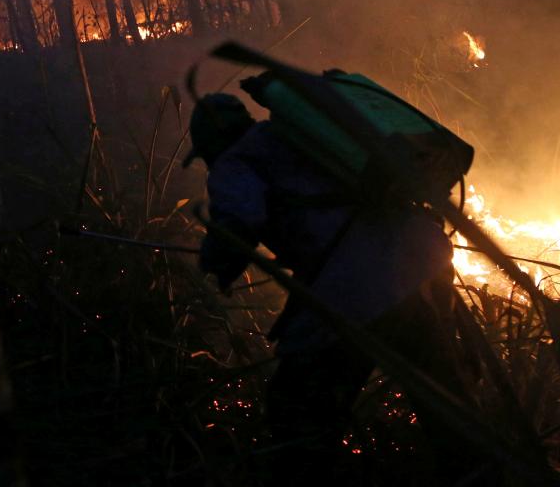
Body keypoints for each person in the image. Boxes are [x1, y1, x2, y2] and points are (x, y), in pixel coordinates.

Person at [186, 92, 490, 483]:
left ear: (211, 144)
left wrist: (216, 263)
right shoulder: (304, 135)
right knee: (451, 409)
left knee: (296, 415)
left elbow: (239, 223)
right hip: (425, 264)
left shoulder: (235, 160)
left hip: (358, 292)